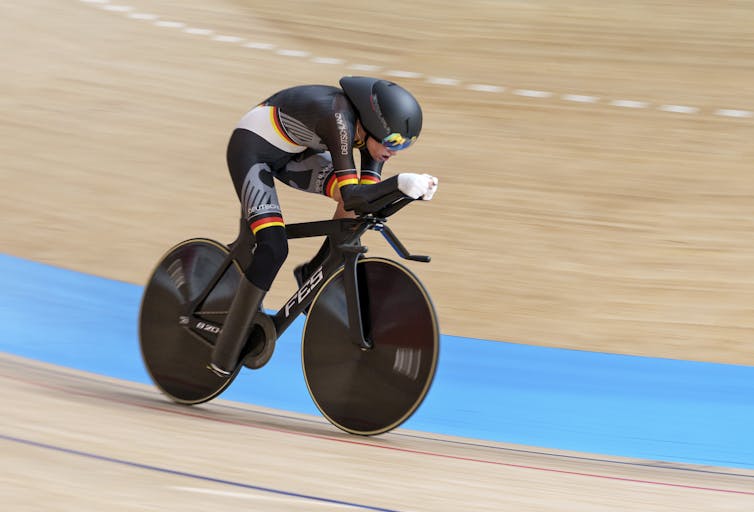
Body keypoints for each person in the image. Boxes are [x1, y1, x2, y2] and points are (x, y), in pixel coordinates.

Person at [209, 76, 439, 377]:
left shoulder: (373, 139)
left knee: (356, 214)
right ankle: (224, 352)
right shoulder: (338, 117)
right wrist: (399, 183)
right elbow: (353, 195)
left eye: (405, 144)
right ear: (372, 124)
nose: (394, 151)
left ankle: (313, 271)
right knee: (273, 247)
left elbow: (364, 203)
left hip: (295, 155)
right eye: (393, 141)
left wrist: (404, 192)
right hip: (253, 151)